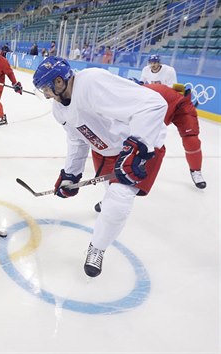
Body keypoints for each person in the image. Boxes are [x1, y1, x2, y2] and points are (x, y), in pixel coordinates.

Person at [32, 56, 168, 277]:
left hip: (138, 146)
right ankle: (107, 203)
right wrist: (71, 174)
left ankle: (98, 247)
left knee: (119, 202)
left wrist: (137, 147)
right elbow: (77, 139)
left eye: (46, 88)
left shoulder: (92, 83)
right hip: (105, 150)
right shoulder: (59, 109)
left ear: (59, 82)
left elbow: (155, 104)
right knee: (111, 196)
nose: (46, 95)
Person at [139, 82, 206, 189]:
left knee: (192, 141)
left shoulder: (142, 95)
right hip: (163, 106)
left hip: (181, 106)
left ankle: (196, 170)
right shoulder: (137, 95)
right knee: (147, 136)